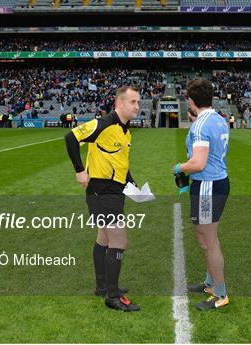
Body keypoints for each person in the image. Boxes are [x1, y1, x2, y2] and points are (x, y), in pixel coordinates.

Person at [65, 86, 140, 312]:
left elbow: (120, 163)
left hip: (114, 191)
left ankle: (102, 286)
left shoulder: (126, 132)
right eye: (132, 102)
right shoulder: (104, 123)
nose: (137, 106)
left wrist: (132, 182)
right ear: (119, 103)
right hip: (102, 191)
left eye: (138, 102)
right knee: (119, 241)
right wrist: (79, 169)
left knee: (104, 240)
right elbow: (71, 137)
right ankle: (113, 296)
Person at [173, 78, 230, 311]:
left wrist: (179, 167)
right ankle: (210, 284)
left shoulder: (200, 125)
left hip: (207, 186)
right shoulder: (219, 119)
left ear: (191, 100)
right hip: (216, 183)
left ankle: (220, 294)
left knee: (208, 242)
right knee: (208, 238)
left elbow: (198, 163)